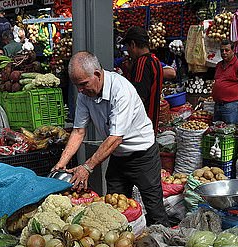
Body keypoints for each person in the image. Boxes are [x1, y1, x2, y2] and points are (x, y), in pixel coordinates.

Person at [53, 51, 169, 226]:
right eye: (77, 86)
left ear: (97, 74)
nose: (80, 90)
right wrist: (61, 163)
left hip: (142, 155)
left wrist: (87, 167)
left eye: (83, 84)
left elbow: (115, 138)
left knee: (154, 209)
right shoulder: (85, 95)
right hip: (117, 156)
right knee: (113, 208)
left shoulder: (121, 90)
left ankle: (163, 244)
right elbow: (78, 132)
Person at [122, 26, 163, 125]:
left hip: (141, 124)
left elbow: (139, 96)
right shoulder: (155, 60)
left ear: (133, 44)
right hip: (152, 121)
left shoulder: (142, 62)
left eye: (127, 47)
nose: (128, 51)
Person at [211, 40, 238, 124]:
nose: (224, 53)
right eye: (222, 50)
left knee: (231, 131)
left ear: (233, 51)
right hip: (217, 105)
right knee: (217, 132)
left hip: (231, 106)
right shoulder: (219, 65)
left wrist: (236, 95)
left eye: (227, 50)